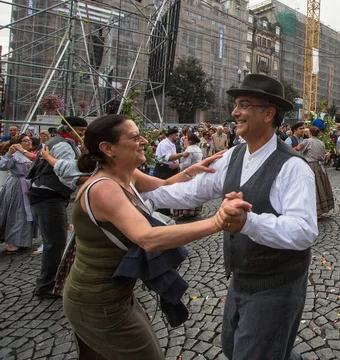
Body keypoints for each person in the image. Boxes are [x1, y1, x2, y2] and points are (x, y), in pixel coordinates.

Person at [143, 74, 318, 360]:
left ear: (268, 113)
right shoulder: (232, 156)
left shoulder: (293, 168)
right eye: (236, 104)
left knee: (254, 354)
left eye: (244, 105)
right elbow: (191, 193)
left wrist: (248, 222)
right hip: (241, 279)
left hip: (277, 286)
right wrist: (139, 196)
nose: (235, 112)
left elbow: (304, 231)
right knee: (233, 346)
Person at [60, 114, 249, 359]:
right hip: (96, 302)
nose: (144, 142)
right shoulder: (104, 188)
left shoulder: (127, 176)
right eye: (134, 137)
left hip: (113, 297)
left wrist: (191, 170)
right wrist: (216, 222)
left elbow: (165, 184)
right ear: (108, 148)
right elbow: (147, 238)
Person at [25, 116, 88, 299]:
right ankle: (46, 286)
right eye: (81, 131)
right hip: (48, 196)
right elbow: (69, 174)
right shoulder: (61, 145)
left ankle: (52, 282)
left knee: (57, 241)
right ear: (70, 129)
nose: (82, 135)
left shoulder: (67, 143)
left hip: (53, 195)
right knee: (55, 242)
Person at [0, 136, 37, 254]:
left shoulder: (28, 154)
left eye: (29, 140)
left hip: (27, 184)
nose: (29, 142)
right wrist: (9, 154)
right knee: (17, 212)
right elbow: (3, 166)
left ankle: (22, 240)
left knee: (26, 213)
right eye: (25, 141)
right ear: (18, 144)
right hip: (17, 186)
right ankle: (14, 242)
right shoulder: (16, 156)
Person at [298, 126, 334, 218]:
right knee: (320, 186)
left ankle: (314, 210)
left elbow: (298, 148)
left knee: (312, 187)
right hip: (320, 166)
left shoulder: (307, 141)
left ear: (309, 133)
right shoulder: (321, 142)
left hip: (311, 166)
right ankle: (321, 208)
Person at [172, 134, 204, 221]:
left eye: (185, 139)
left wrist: (178, 165)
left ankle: (184, 212)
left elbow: (186, 164)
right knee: (193, 192)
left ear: (190, 141)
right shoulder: (198, 149)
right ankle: (193, 211)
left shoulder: (189, 150)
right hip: (196, 174)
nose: (184, 141)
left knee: (185, 192)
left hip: (188, 174)